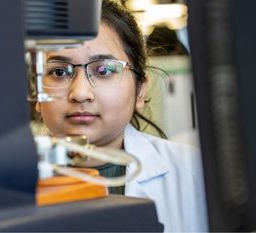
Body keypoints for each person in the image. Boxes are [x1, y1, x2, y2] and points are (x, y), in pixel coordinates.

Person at [32, 0, 208, 232]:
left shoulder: (196, 173)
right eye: (59, 72)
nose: (80, 93)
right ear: (36, 92)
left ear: (140, 90)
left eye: (104, 70)